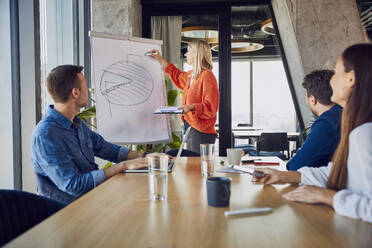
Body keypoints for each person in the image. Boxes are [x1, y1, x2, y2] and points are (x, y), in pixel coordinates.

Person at [255, 43, 372, 223]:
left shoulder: (365, 134)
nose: (332, 81)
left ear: (351, 79)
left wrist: (327, 196)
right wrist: (283, 176)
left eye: (336, 72)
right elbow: (341, 172)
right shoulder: (358, 126)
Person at [31, 65, 150, 204]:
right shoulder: (45, 136)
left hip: (94, 199)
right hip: (68, 213)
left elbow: (106, 149)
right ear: (75, 93)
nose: (88, 91)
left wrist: (145, 158)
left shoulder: (77, 123)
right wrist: (121, 166)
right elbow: (74, 185)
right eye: (86, 87)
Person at [149, 39, 219, 153]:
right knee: (192, 165)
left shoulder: (207, 76)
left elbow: (211, 107)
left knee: (197, 166)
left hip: (202, 131)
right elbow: (176, 74)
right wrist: (160, 59)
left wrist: (191, 107)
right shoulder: (191, 75)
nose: (185, 54)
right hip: (190, 127)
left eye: (188, 51)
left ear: (196, 53)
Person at [287, 70, 342, 170]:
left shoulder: (328, 122)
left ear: (312, 99)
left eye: (306, 97)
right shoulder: (345, 114)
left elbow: (296, 166)